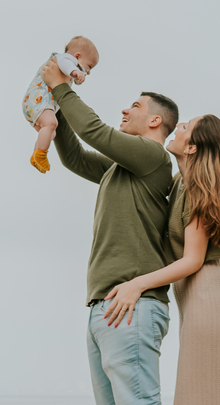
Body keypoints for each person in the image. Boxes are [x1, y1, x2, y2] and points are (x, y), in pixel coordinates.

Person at [40, 58, 178, 405]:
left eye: (135, 105)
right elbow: (75, 157)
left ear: (155, 120)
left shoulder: (152, 157)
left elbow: (95, 133)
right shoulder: (122, 168)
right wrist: (54, 113)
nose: (125, 109)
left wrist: (61, 86)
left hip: (132, 306)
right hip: (106, 306)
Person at [101, 115, 220, 405]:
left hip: (207, 296)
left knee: (199, 397)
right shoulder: (179, 182)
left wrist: (136, 284)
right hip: (196, 298)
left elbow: (192, 260)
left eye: (184, 127)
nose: (177, 128)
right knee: (199, 395)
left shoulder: (197, 188)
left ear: (191, 147)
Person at [22, 36, 99, 172]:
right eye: (89, 66)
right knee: (52, 124)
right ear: (77, 56)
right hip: (38, 100)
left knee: (50, 133)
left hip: (35, 105)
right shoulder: (63, 59)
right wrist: (75, 71)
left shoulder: (67, 66)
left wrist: (76, 76)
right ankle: (41, 155)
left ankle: (35, 155)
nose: (88, 71)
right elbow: (66, 64)